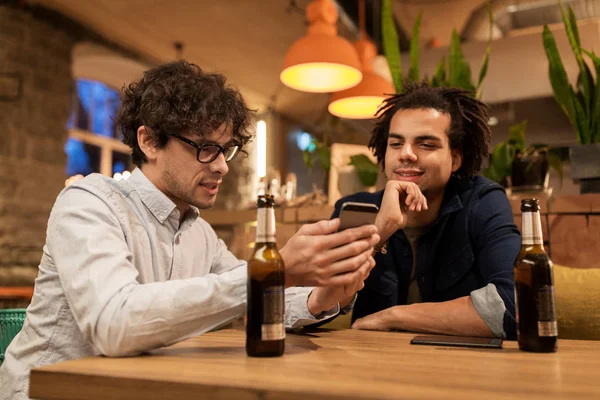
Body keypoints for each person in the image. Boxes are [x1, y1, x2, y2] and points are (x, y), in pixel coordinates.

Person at [0, 61, 379, 400]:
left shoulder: (198, 232)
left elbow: (250, 296)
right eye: (205, 148)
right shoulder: (90, 203)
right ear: (149, 141)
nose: (222, 167)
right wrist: (272, 270)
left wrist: (322, 294)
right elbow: (114, 324)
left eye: (225, 150)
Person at [332, 82, 520, 339]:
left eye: (426, 145)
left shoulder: (482, 202)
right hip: (371, 366)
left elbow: (512, 305)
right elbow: (318, 304)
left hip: (461, 368)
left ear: (455, 159)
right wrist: (381, 230)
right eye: (396, 144)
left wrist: (393, 317)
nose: (406, 154)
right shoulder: (356, 210)